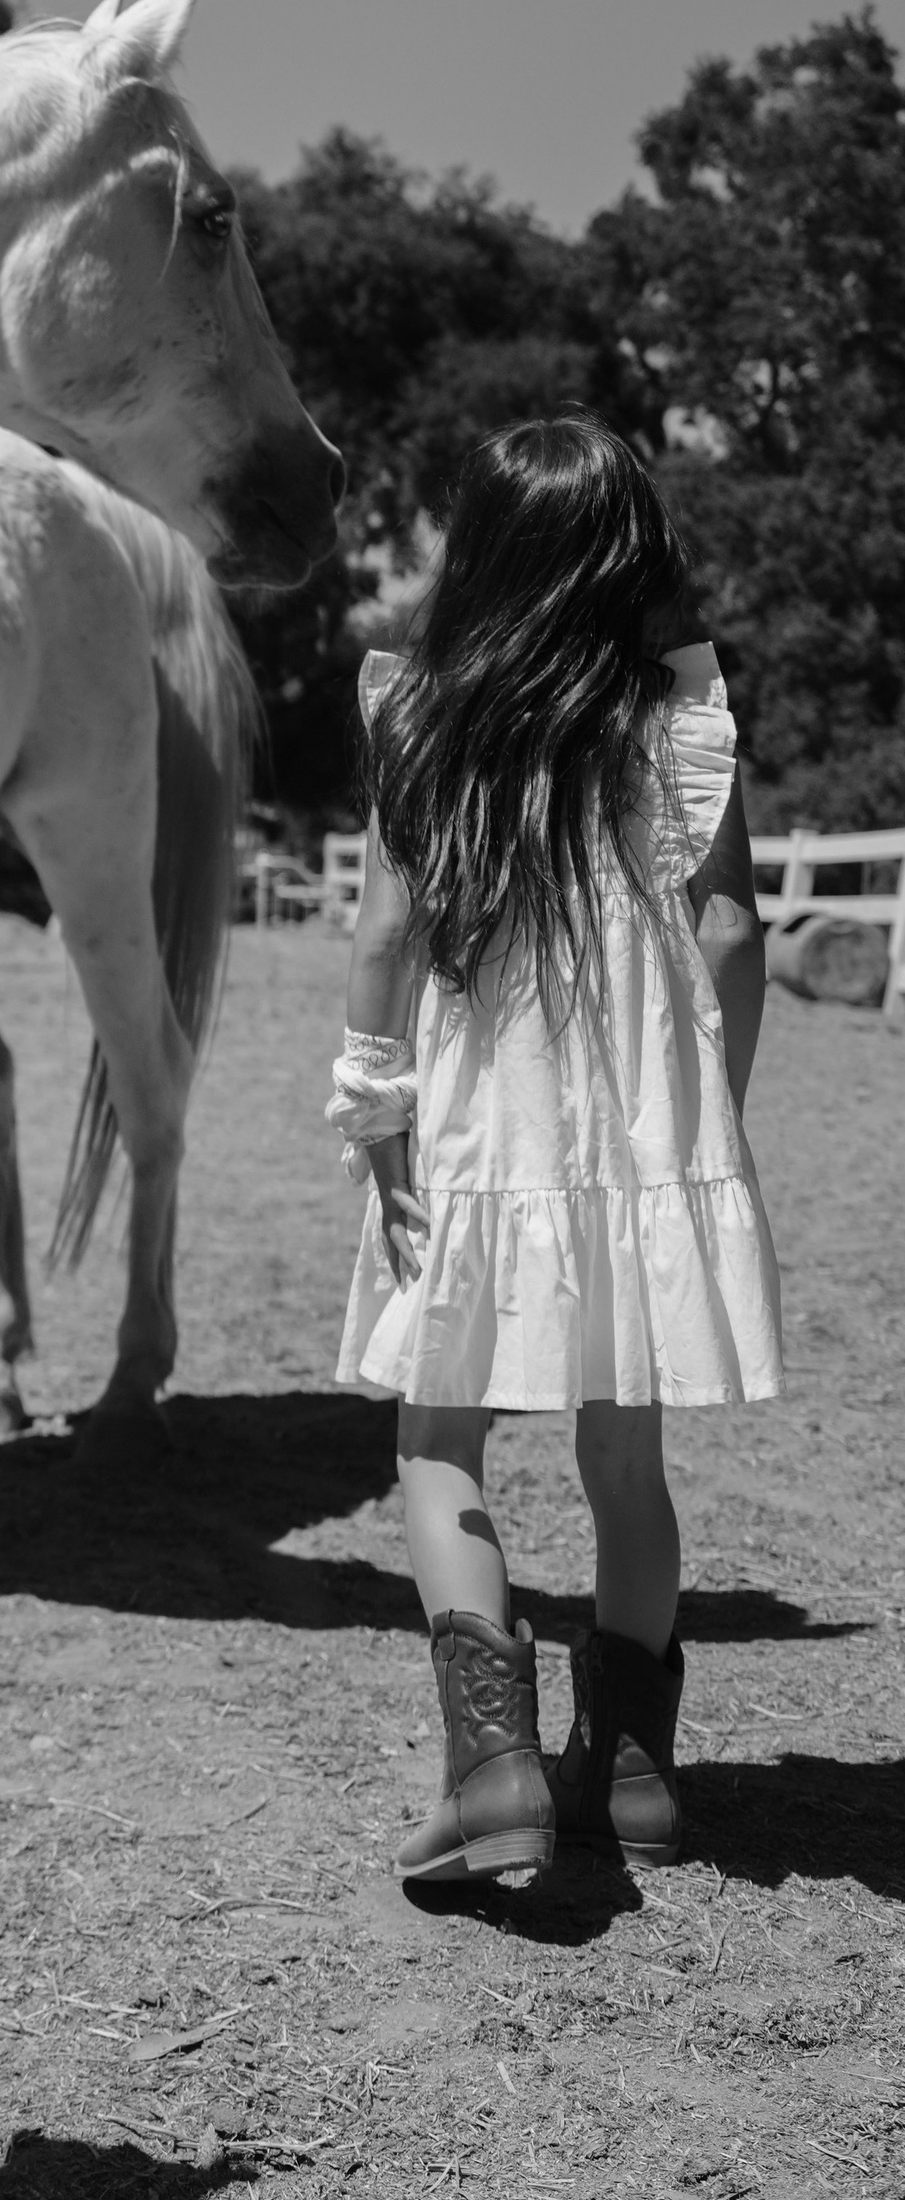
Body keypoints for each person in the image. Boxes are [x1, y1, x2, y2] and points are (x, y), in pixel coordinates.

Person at [327, 416, 778, 1890]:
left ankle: (494, 1770)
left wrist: (376, 1115)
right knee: (624, 1461)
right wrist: (711, 1127)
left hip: (479, 1127)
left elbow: (385, 939)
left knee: (435, 1440)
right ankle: (629, 1774)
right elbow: (731, 933)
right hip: (642, 1135)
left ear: (481, 552)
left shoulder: (423, 712)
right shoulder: (680, 718)